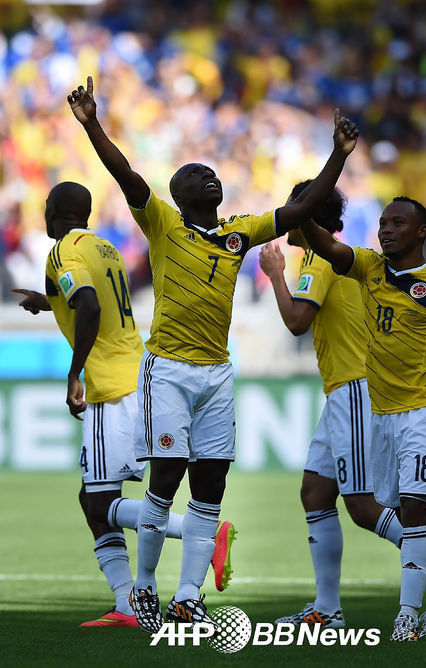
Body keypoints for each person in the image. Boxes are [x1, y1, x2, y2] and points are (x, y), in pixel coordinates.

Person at [67, 76, 359, 633]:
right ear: (179, 195)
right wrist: (92, 124)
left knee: (211, 485)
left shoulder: (238, 234)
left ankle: (187, 596)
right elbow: (125, 174)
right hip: (169, 371)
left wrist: (338, 156)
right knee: (165, 478)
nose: (210, 175)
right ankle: (145, 586)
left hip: (218, 373)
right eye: (196, 174)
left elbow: (303, 207)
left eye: (213, 172)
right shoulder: (162, 224)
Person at [260, 182, 426, 633]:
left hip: (357, 388)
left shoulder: (319, 261)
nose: (287, 217)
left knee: (368, 508)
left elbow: (297, 321)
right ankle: (328, 606)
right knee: (315, 492)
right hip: (343, 390)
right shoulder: (359, 262)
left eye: (294, 208)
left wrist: (274, 274)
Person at [14, 181, 235, 628]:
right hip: (140, 377)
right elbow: (94, 297)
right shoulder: (107, 249)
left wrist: (75, 373)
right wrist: (48, 301)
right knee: (94, 497)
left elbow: (90, 306)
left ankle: (199, 539)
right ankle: (128, 602)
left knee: (98, 504)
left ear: (52, 211)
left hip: (109, 388)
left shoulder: (61, 251)